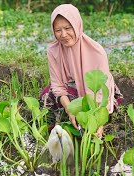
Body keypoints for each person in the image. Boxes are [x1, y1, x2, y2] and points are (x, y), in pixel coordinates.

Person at [40, 4, 122, 137]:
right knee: (46, 95)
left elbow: (101, 91)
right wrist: (70, 110)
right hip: (71, 93)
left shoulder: (97, 52)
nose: (63, 35)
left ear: (77, 25)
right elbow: (58, 87)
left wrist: (99, 122)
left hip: (95, 97)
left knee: (102, 116)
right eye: (58, 30)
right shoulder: (53, 51)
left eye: (68, 28)